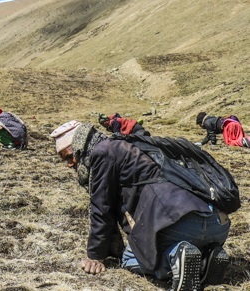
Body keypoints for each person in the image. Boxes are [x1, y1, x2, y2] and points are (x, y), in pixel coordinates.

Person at [49, 120, 230, 290]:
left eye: (69, 156)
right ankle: (207, 257)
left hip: (175, 219)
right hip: (215, 221)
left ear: (80, 146)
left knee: (129, 258)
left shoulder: (102, 153)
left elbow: (101, 208)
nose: (69, 164)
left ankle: (174, 257)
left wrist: (95, 256)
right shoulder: (129, 145)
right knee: (182, 244)